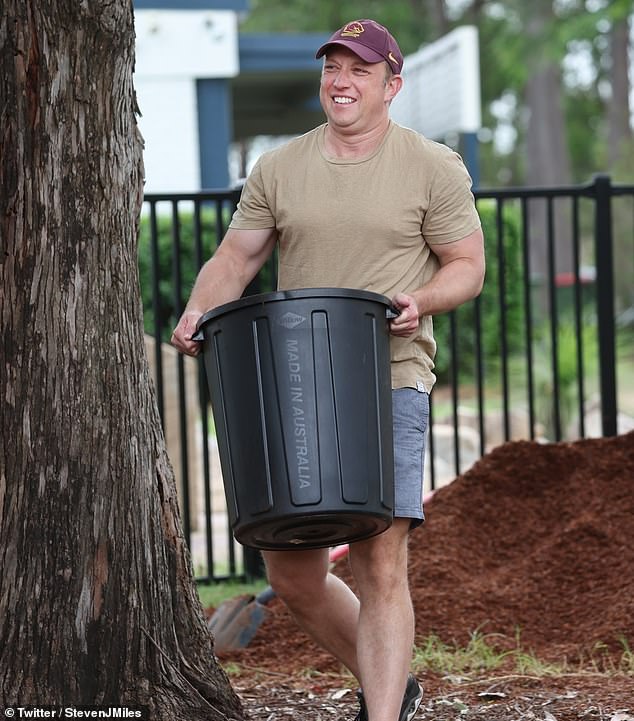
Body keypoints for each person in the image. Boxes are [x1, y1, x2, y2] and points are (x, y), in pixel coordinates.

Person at [172, 18, 485, 721]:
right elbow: (236, 259)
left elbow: (468, 266)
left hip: (390, 376)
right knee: (291, 569)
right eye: (332, 69)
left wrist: (422, 299)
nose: (340, 82)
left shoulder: (432, 166)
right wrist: (197, 310)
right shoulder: (280, 169)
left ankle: (380, 713)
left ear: (390, 85)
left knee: (379, 561)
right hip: (297, 385)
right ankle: (393, 685)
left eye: (359, 71)